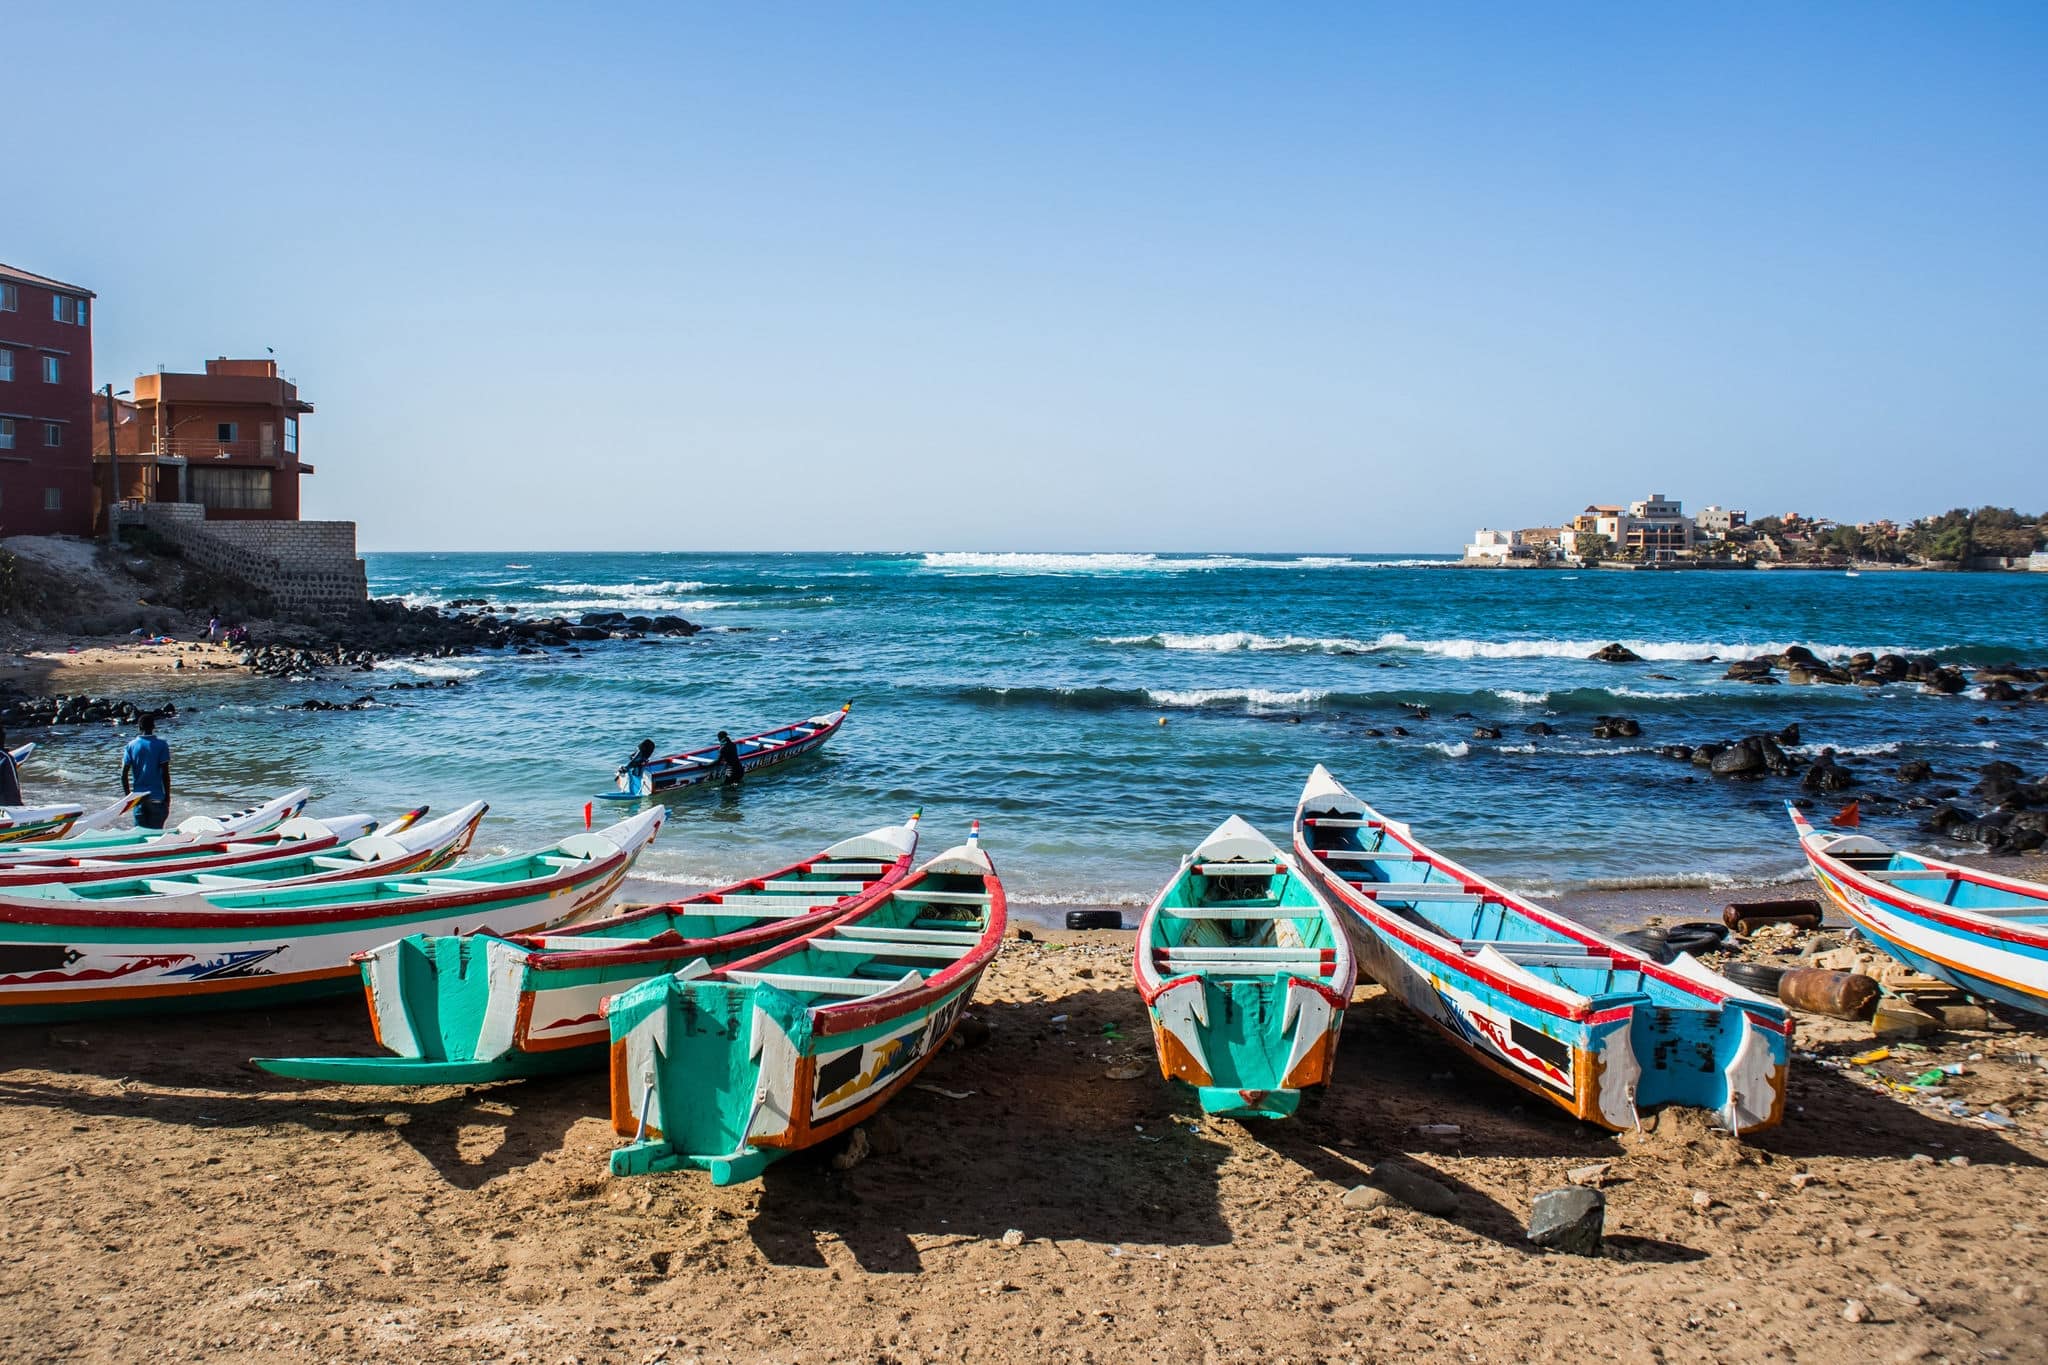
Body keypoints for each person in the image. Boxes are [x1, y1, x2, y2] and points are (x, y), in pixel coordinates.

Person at [121, 714, 173, 829]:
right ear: (153, 726)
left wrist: (128, 797)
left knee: (140, 834)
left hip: (138, 798)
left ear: (139, 727)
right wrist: (167, 796)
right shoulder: (162, 745)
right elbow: (165, 773)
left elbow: (124, 775)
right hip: (157, 798)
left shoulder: (131, 746)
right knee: (156, 835)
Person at [0, 727, 20, 806]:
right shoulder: (6, 758)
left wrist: (19, 810)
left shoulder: (5, 758)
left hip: (4, 808)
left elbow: (12, 789)